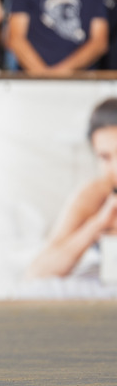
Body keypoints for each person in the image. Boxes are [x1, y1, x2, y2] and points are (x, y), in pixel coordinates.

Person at [26, 98, 117, 279]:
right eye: (105, 157)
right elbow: (37, 273)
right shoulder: (96, 195)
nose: (115, 167)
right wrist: (97, 225)